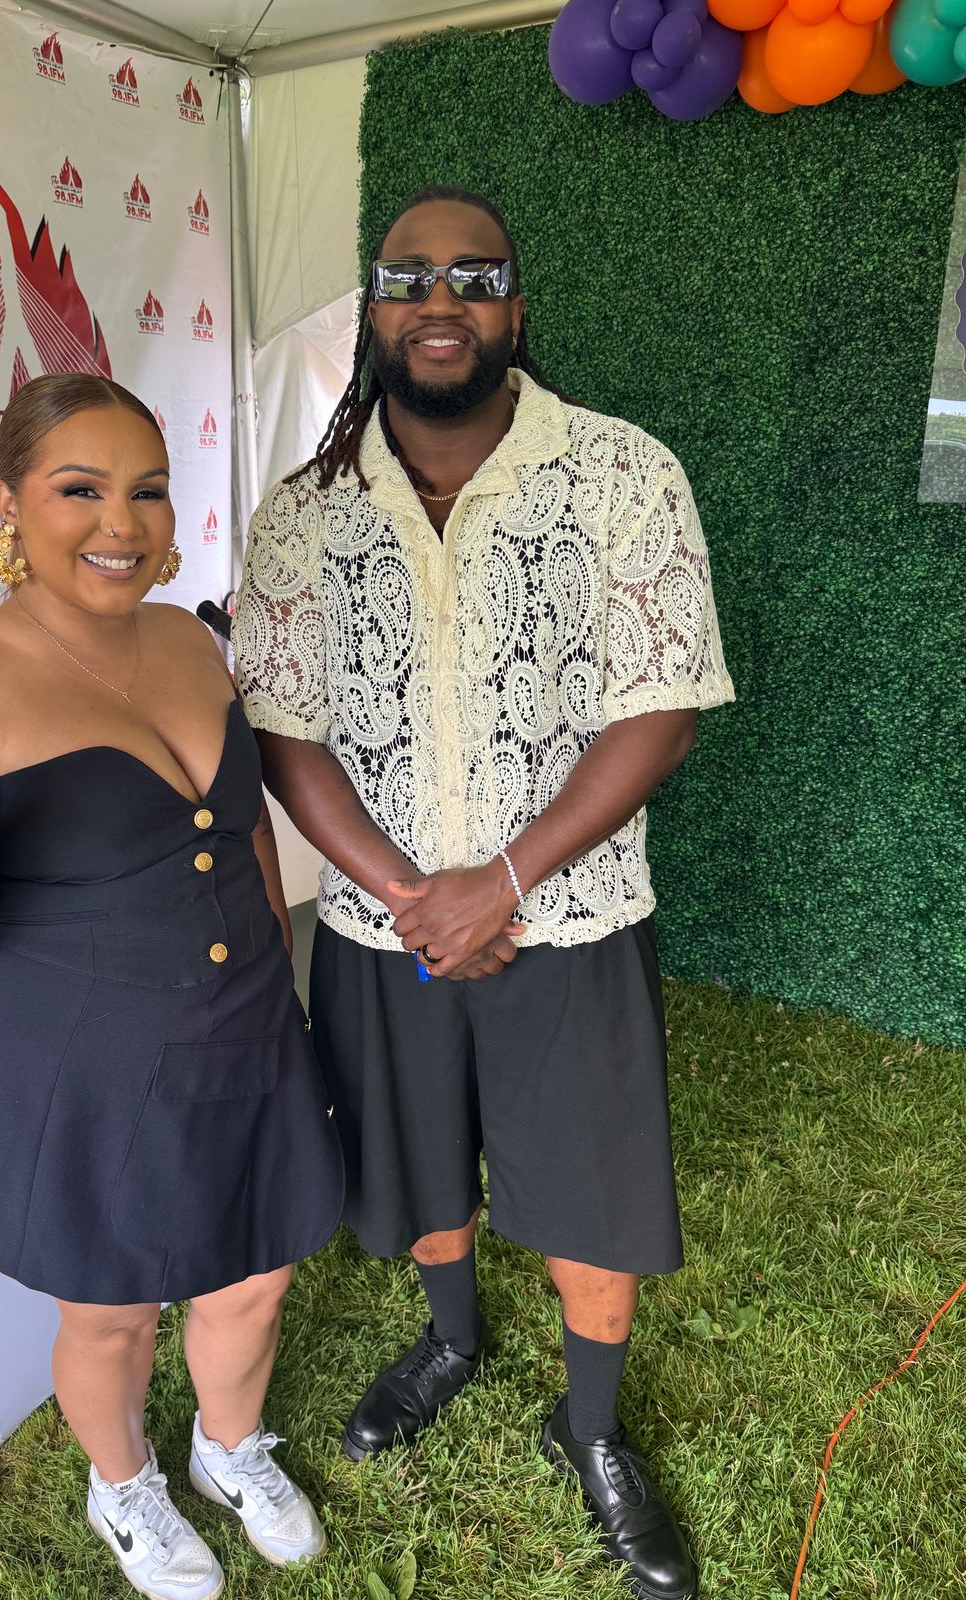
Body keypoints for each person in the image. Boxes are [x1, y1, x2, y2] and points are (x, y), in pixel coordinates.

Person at [233, 187, 735, 1600]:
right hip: (382, 927)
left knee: (591, 1200)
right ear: (372, 310)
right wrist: (414, 895)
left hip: (569, 921)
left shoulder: (625, 474)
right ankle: (452, 1337)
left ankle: (594, 1428)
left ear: (516, 305)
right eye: (408, 277)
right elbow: (284, 726)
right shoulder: (305, 512)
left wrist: (502, 881)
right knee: (415, 1168)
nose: (438, 299)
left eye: (472, 274)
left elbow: (660, 712)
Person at [0, 372, 343, 1600]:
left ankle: (229, 1448)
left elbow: (245, 830)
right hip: (81, 1069)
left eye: (148, 490)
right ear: (7, 502)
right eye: (81, 489)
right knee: (114, 1310)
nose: (123, 523)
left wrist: (277, 987)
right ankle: (122, 1484)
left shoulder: (190, 641)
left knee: (255, 1271)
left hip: (243, 1030)